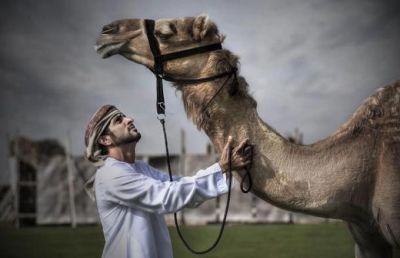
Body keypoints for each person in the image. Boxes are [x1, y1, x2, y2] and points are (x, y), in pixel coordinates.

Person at [84, 105, 252, 258]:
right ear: (105, 140)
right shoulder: (110, 175)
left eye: (124, 116)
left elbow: (180, 186)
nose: (129, 120)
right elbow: (168, 196)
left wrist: (224, 168)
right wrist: (221, 167)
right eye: (118, 120)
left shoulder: (141, 168)